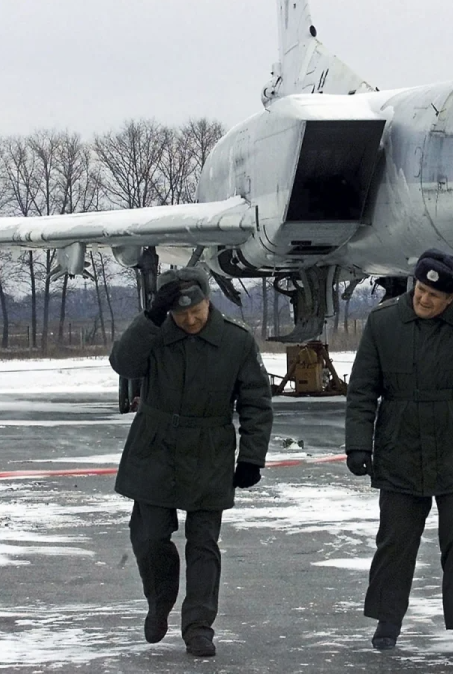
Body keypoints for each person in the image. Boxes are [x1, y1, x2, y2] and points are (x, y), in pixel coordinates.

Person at [345, 248, 453, 657]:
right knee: (396, 542)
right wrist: (358, 443)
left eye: (435, 296)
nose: (424, 299)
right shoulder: (384, 323)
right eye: (420, 290)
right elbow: (363, 389)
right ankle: (387, 621)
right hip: (401, 446)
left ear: (452, 298)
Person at [109, 266, 272, 658]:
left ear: (207, 300)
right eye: (180, 314)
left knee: (203, 543)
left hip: (209, 452)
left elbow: (256, 403)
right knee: (149, 538)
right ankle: (159, 601)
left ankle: (199, 626)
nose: (190, 320)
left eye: (196, 310)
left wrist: (252, 458)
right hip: (156, 448)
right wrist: (150, 317)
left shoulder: (235, 342)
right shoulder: (157, 334)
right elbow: (123, 364)